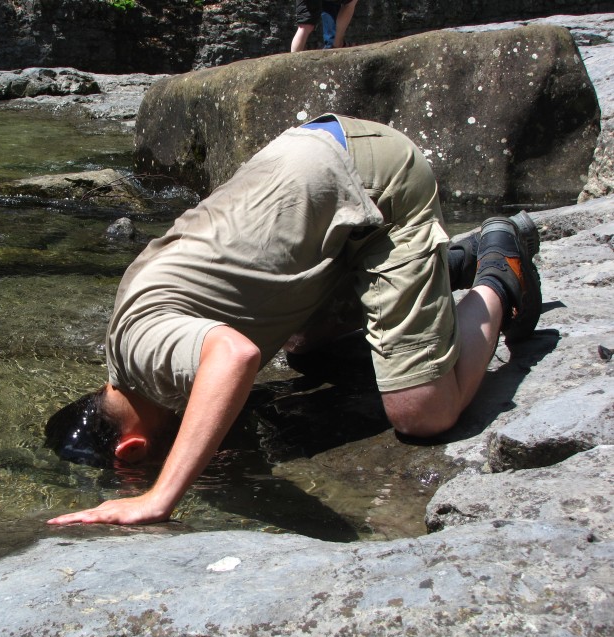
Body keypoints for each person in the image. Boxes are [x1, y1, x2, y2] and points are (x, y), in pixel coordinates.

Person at [45, 113, 541, 527]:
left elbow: (235, 357)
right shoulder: (128, 350)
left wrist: (159, 496)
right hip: (315, 166)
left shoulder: (143, 347)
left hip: (376, 186)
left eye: (140, 468)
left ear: (132, 450)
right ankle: (448, 262)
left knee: (422, 413)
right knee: (307, 351)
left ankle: (498, 268)